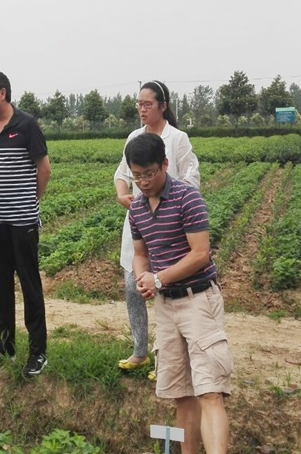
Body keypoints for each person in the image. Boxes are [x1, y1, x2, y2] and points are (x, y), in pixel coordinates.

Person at [126, 133, 232, 454]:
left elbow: (200, 253)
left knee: (209, 391)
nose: (143, 182)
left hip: (197, 300)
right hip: (166, 306)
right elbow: (141, 253)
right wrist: (143, 277)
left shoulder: (188, 198)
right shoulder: (137, 209)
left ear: (165, 164)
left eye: (149, 173)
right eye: (137, 176)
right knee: (182, 395)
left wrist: (158, 279)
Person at [114, 80, 200, 380]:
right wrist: (122, 194)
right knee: (134, 286)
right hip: (139, 222)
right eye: (139, 104)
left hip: (169, 227)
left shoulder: (177, 139)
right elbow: (122, 173)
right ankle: (140, 351)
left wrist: (171, 203)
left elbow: (192, 177)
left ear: (162, 106)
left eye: (147, 104)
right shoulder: (134, 137)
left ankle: (166, 359)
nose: (142, 109)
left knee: (168, 291)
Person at [0, 70, 52, 377]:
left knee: (29, 285)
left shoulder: (27, 125)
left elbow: (44, 169)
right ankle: (6, 344)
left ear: (2, 93)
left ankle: (38, 351)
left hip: (23, 222)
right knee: (1, 285)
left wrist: (31, 202)